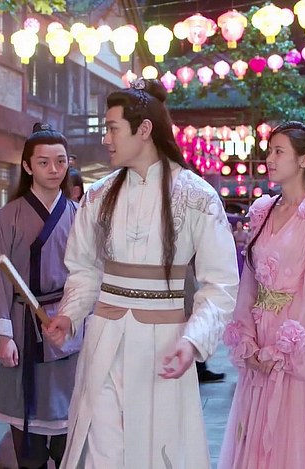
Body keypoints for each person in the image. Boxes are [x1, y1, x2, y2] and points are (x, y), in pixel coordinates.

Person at [44, 79, 239, 469]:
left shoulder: (197, 196)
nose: (106, 139)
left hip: (164, 344)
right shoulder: (98, 195)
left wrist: (193, 341)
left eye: (113, 128)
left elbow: (220, 285)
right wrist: (70, 314)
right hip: (105, 339)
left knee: (158, 450)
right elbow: (84, 268)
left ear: (144, 129)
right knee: (103, 451)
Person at [218, 118, 305, 469]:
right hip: (261, 332)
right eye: (269, 151)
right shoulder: (263, 211)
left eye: (279, 152)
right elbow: (250, 280)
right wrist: (246, 336)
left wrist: (284, 348)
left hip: (297, 336)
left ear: (304, 160)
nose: (269, 159)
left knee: (295, 433)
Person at [0, 123, 83, 469]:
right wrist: (3, 336)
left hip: (67, 321)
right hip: (23, 326)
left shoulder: (79, 215)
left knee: (71, 427)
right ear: (27, 166)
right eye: (43, 162)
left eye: (60, 161)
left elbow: (89, 276)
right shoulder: (8, 217)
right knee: (28, 435)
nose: (54, 170)